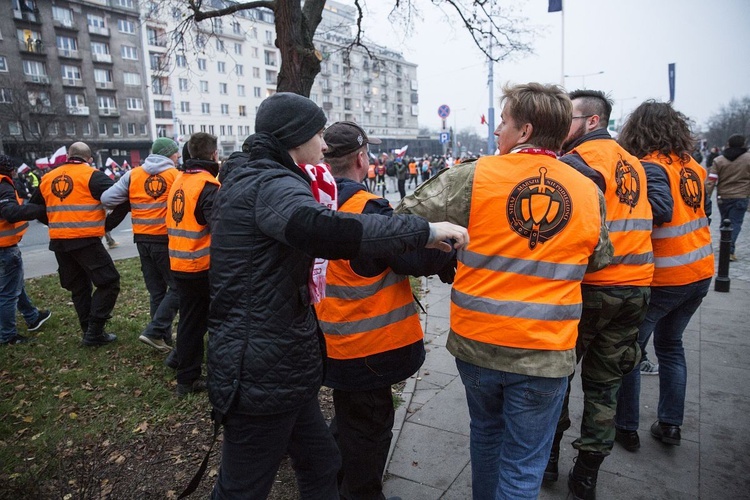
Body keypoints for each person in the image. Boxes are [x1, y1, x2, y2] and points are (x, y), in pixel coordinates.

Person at [206, 92, 468, 500]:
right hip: (260, 366)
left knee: (322, 462)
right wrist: (426, 231)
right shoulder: (271, 183)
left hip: (283, 359)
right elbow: (326, 230)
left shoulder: (261, 177)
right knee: (243, 487)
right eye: (318, 133)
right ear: (296, 137)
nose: (324, 145)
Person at [397, 82, 613, 499]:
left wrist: (449, 241)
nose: (497, 131)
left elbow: (405, 219)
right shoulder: (588, 190)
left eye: (505, 122)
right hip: (545, 353)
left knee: (487, 438)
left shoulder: (474, 176)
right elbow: (600, 259)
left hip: (479, 344)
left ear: (525, 131)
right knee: (523, 463)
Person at [316, 121, 457, 500]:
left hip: (330, 338)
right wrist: (448, 245)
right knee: (370, 429)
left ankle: (332, 482)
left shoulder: (310, 203)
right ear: (362, 159)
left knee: (350, 420)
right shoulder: (366, 208)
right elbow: (410, 257)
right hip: (370, 347)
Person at [543, 90, 656, 499]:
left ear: (592, 121)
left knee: (558, 377)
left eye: (569, 117)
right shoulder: (635, 163)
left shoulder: (580, 162)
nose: (562, 125)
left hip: (591, 289)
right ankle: (587, 474)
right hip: (635, 291)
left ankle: (549, 458)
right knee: (606, 386)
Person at [615, 101, 714, 450]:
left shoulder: (647, 168)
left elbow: (653, 216)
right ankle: (670, 423)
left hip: (665, 276)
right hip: (700, 272)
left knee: (631, 351)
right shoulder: (693, 167)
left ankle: (626, 426)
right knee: (671, 347)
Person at [29, 142, 126, 346]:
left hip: (59, 242)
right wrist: (107, 224)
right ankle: (95, 332)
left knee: (79, 288)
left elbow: (36, 209)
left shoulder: (48, 177)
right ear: (89, 158)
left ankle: (88, 331)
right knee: (109, 282)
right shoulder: (92, 175)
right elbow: (120, 198)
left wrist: (55, 221)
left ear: (68, 156)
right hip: (86, 240)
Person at [101, 138, 181, 353]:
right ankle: (155, 331)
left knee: (156, 292)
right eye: (176, 153)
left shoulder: (133, 174)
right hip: (164, 239)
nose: (179, 157)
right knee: (178, 287)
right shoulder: (175, 176)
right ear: (169, 155)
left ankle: (162, 339)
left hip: (142, 240)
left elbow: (107, 199)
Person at [166, 133, 220, 397]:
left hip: (179, 261)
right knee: (205, 321)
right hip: (201, 264)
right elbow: (219, 226)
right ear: (213, 155)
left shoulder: (179, 179)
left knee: (190, 319)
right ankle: (188, 376)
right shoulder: (207, 185)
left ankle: (181, 364)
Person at [0, 155, 51, 345]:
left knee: (14, 285)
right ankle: (8, 335)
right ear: (9, 170)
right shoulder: (4, 185)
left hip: (5, 248)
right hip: (5, 247)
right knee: (8, 293)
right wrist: (38, 210)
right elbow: (10, 213)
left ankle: (32, 316)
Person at [705, 134, 750, 261]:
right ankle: (729, 250)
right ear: (743, 144)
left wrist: (706, 196)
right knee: (735, 223)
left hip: (723, 196)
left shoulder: (719, 160)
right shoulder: (748, 159)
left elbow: (711, 180)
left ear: (728, 144)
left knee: (724, 222)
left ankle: (725, 244)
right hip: (741, 195)